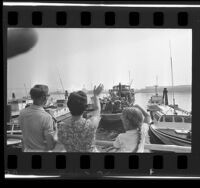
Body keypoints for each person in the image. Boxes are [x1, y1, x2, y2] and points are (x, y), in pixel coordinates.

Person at [58, 84, 104, 152]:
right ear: (85, 107)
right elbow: (97, 110)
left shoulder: (61, 127)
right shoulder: (90, 124)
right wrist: (96, 96)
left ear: (69, 106)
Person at [18, 85, 57, 152]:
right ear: (43, 97)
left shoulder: (22, 113)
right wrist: (56, 131)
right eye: (47, 96)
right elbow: (50, 145)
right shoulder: (46, 117)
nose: (48, 98)